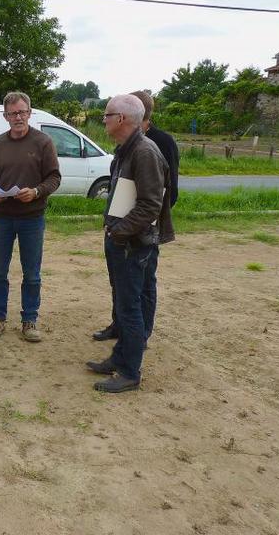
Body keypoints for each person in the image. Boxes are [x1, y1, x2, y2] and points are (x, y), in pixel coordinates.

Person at [86, 94, 174, 393]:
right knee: (124, 304)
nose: (104, 119)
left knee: (129, 307)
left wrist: (119, 232)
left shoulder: (145, 152)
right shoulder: (128, 149)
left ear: (121, 119)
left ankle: (129, 372)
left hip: (132, 244)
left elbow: (151, 205)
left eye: (107, 114)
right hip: (124, 240)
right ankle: (120, 357)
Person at [0, 91, 61, 342]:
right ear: (5, 116)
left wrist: (36, 191)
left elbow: (55, 178)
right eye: (13, 113)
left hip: (32, 218)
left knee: (32, 273)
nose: (18, 117)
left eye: (22, 112)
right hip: (1, 217)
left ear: (30, 113)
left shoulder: (43, 142)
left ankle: (30, 320)